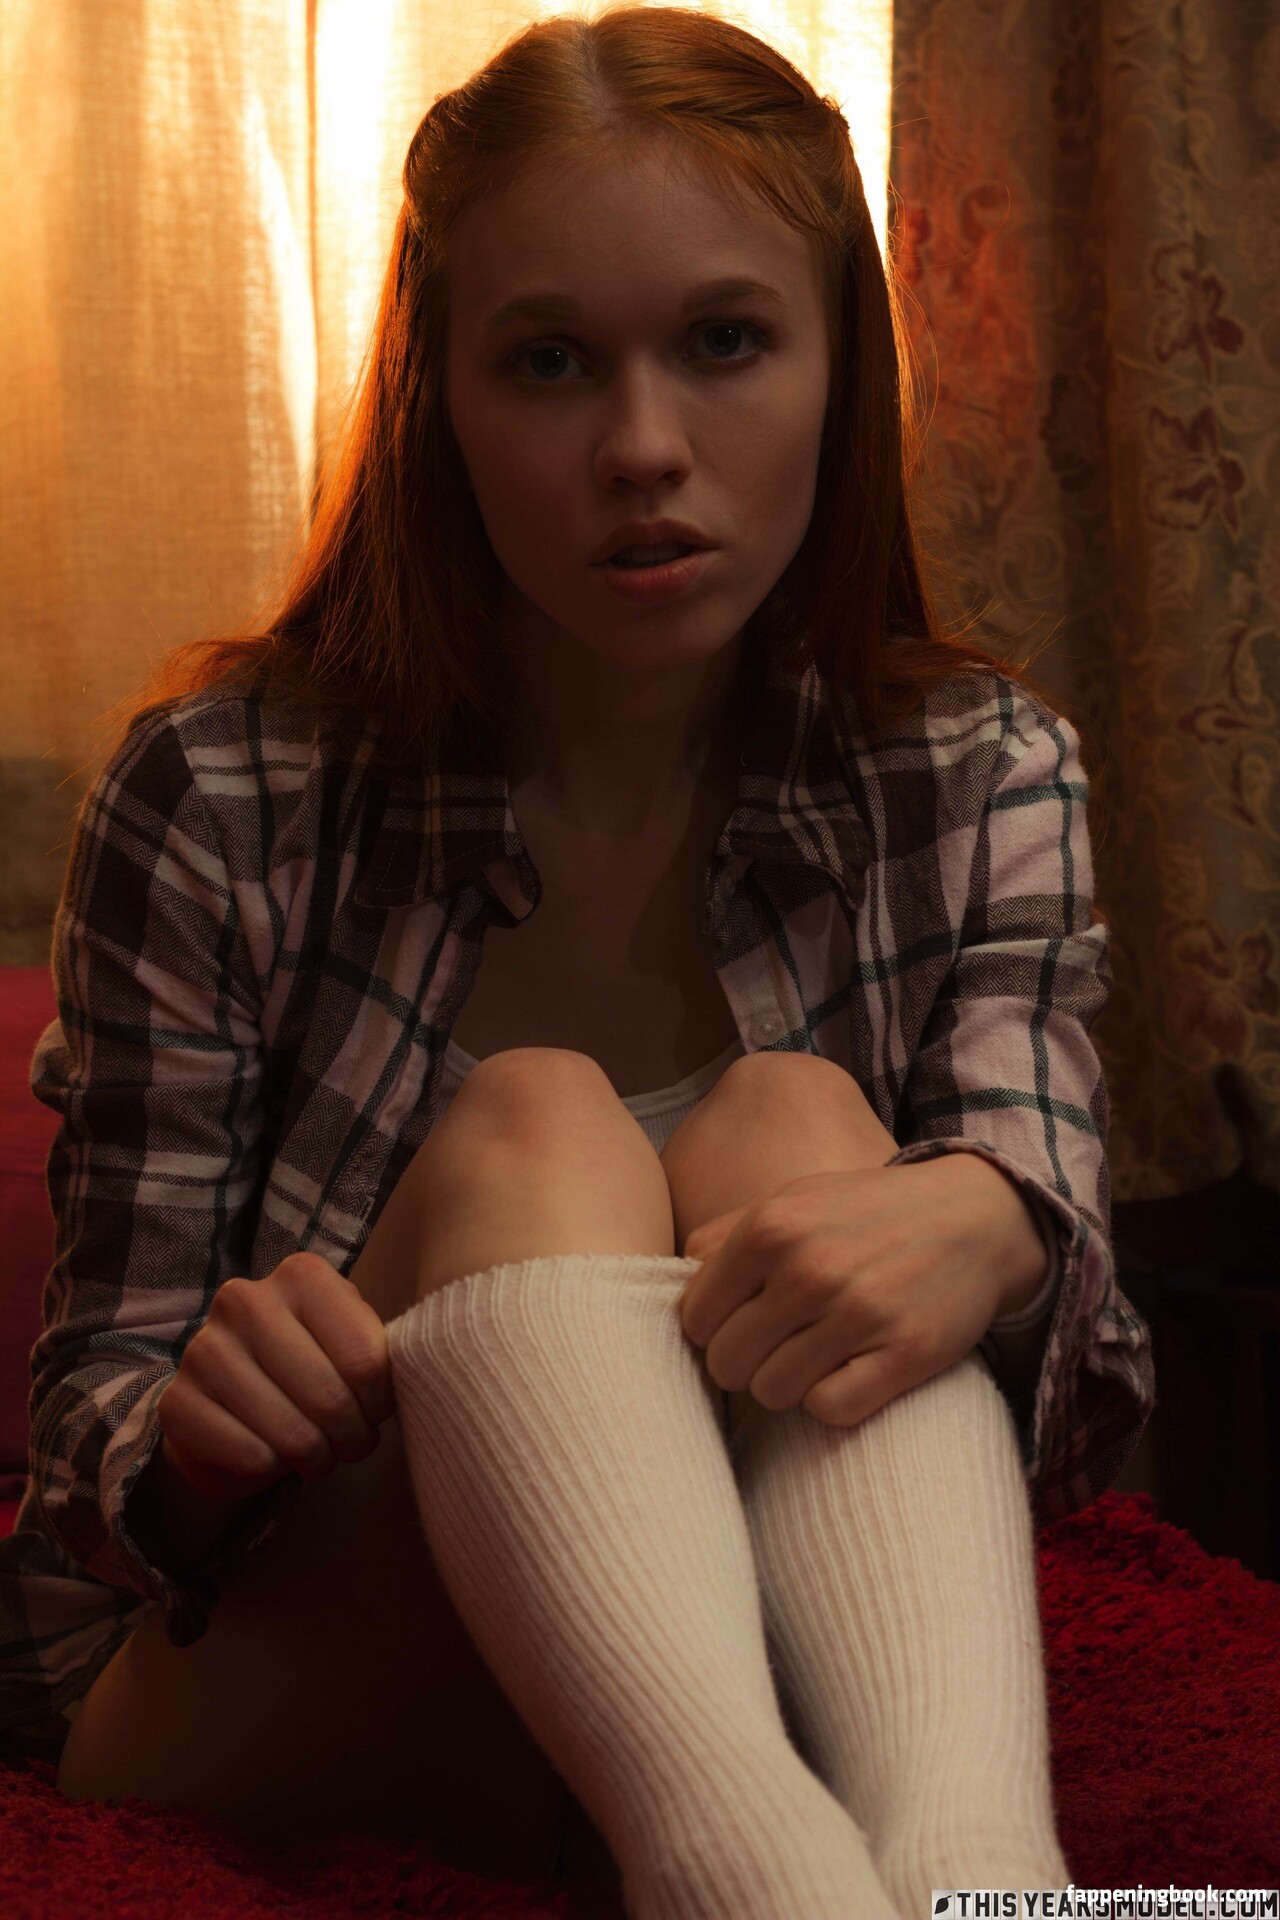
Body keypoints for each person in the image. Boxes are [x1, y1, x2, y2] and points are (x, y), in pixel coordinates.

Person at [0, 7, 1155, 1916]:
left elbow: (1075, 1411)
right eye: (547, 362)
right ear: (440, 400)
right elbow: (92, 1437)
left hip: (784, 1647)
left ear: (841, 366)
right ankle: (755, 1878)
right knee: (537, 1122)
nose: (642, 447)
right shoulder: (223, 790)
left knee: (802, 1128)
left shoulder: (977, 773)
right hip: (304, 1655)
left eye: (725, 342)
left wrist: (1002, 1228)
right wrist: (202, 1433)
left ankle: (975, 1879)